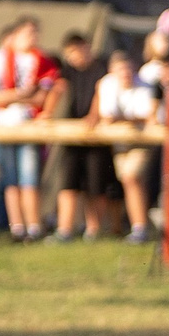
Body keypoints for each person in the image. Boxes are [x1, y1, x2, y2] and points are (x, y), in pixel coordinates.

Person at [0, 18, 55, 240]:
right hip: (5, 125)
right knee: (10, 178)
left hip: (29, 124)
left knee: (30, 177)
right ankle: (17, 227)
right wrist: (18, 95)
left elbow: (44, 96)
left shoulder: (40, 60)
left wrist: (26, 98)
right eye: (28, 33)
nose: (32, 37)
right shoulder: (0, 58)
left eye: (35, 32)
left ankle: (34, 226)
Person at [44, 32, 109, 239]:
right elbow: (58, 89)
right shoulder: (68, 70)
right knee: (69, 183)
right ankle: (65, 229)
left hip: (96, 135)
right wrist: (48, 112)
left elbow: (101, 91)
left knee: (95, 184)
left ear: (85, 47)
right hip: (72, 134)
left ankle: (94, 230)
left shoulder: (101, 67)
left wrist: (94, 115)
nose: (73, 58)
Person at [97, 49, 160, 242]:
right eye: (120, 69)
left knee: (132, 177)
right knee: (128, 181)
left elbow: (147, 117)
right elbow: (107, 116)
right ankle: (137, 225)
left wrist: (121, 119)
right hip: (120, 143)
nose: (125, 73)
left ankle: (140, 227)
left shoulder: (145, 85)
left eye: (128, 69)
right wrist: (128, 119)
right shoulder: (107, 84)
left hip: (140, 142)